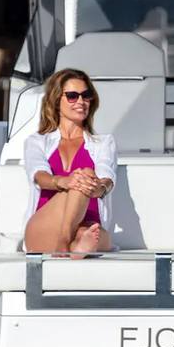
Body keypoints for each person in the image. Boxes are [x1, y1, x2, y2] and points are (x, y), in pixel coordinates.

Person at [22, 68, 117, 256]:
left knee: (89, 232)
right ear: (57, 101)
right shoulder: (37, 142)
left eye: (86, 95)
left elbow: (107, 176)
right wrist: (65, 181)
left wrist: (99, 188)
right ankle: (67, 239)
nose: (81, 102)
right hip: (45, 228)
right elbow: (39, 176)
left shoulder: (104, 142)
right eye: (72, 96)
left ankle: (73, 247)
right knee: (85, 174)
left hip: (89, 225)